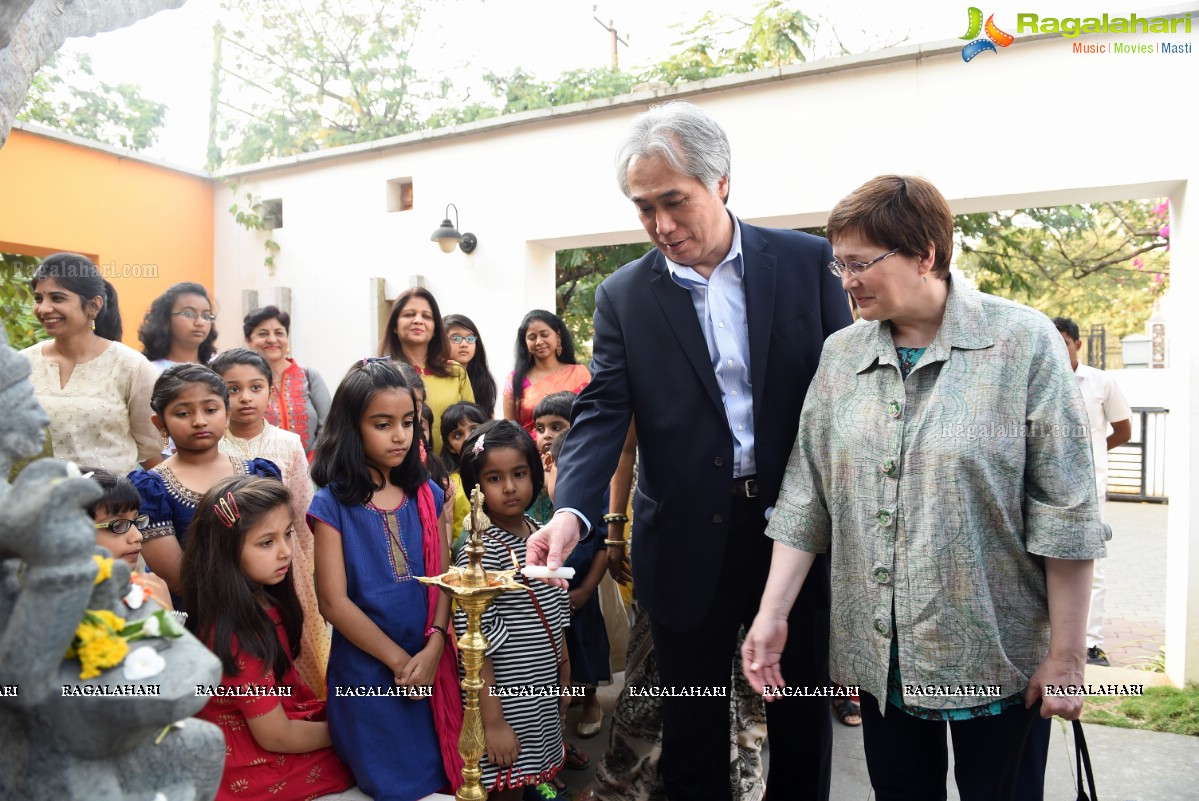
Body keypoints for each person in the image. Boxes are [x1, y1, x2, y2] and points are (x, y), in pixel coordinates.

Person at [741, 175, 1106, 801]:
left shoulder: (1021, 343)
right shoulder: (840, 357)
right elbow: (806, 497)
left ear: (926, 254)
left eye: (860, 263)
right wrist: (771, 616)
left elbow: (1067, 509)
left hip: (998, 662)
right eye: (840, 265)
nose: (846, 280)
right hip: (879, 663)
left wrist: (1068, 658)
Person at [528, 100, 852, 801]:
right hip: (681, 538)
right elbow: (602, 412)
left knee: (799, 723)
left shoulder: (808, 263)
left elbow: (845, 393)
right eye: (644, 208)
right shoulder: (623, 296)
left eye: (674, 201)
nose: (661, 225)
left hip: (794, 533)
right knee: (692, 727)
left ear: (721, 183)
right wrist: (571, 514)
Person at [309, 358, 462, 801]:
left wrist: (433, 647)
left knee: (446, 775)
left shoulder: (427, 494)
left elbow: (444, 578)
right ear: (351, 428)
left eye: (408, 422)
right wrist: (401, 663)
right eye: (382, 424)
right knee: (393, 787)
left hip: (431, 663)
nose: (400, 435)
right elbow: (333, 603)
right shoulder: (330, 505)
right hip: (369, 674)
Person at [182, 476, 356, 801]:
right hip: (251, 763)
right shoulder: (235, 634)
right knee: (370, 755)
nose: (286, 551)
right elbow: (276, 736)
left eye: (287, 533)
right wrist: (353, 731)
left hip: (272, 729)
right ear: (226, 552)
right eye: (266, 542)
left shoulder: (262, 601)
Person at [455, 420, 569, 801]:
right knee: (506, 780)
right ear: (475, 486)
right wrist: (493, 722)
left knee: (533, 772)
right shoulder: (477, 550)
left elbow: (555, 609)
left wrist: (564, 670)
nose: (509, 487)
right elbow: (477, 644)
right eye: (494, 478)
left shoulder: (541, 530)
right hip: (505, 698)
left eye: (518, 474)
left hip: (541, 686)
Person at [213, 347, 331, 697]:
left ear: (270, 390)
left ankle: (301, 707)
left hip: (286, 558)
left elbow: (303, 513)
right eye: (232, 389)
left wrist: (310, 573)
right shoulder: (211, 446)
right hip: (230, 563)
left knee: (298, 639)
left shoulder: (289, 443)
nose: (245, 397)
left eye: (256, 387)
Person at [130, 364, 281, 596]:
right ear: (160, 424)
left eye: (210, 410)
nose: (199, 421)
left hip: (259, 607)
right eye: (183, 413)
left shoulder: (257, 474)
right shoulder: (152, 489)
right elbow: (176, 578)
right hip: (193, 615)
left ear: (227, 413)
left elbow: (275, 550)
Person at [22, 253, 161, 474]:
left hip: (109, 503)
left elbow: (150, 443)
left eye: (57, 298)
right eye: (39, 298)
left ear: (94, 305)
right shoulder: (20, 365)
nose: (44, 308)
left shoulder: (131, 366)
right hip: (36, 501)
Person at [1053, 316, 1132, 667]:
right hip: (1045, 488)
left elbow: (1123, 430)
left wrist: (1092, 456)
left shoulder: (1101, 382)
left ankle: (1091, 643)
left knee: (1091, 565)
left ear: (1078, 344)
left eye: (1064, 343)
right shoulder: (1038, 381)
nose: (1058, 350)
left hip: (1089, 490)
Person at [533, 392, 609, 742]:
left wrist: (584, 591)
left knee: (584, 650)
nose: (546, 434)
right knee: (553, 663)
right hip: (543, 599)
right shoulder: (533, 490)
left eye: (557, 426)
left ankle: (590, 701)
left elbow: (604, 547)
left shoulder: (597, 490)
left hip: (579, 594)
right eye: (540, 427)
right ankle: (555, 730)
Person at [378, 288, 474, 452]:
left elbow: (473, 427)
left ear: (436, 328)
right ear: (395, 325)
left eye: (426, 316)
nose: (418, 320)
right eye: (409, 314)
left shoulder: (456, 372)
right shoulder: (382, 375)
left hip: (453, 472)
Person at [244, 305, 331, 462]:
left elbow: (329, 425)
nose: (272, 339)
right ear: (248, 340)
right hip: (260, 477)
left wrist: (310, 465)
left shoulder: (310, 377)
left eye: (279, 333)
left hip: (313, 472)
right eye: (263, 334)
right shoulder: (243, 385)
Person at [82, 467, 172, 611]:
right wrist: (165, 613)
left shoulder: (133, 589)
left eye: (136, 521)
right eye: (118, 525)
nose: (138, 536)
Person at [503, 310, 589, 436]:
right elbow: (509, 430)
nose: (538, 342)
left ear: (558, 336)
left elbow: (589, 416)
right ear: (525, 342)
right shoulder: (515, 380)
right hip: (530, 453)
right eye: (532, 337)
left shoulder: (579, 373)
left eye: (544, 335)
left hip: (574, 448)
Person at [439, 400, 489, 554]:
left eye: (475, 428)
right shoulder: (448, 483)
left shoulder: (501, 473)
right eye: (458, 435)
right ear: (449, 446)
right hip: (463, 559)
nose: (469, 438)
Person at [138, 281, 219, 372]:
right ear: (166, 320)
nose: (200, 322)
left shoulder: (219, 368)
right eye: (188, 314)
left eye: (206, 316)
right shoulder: (149, 371)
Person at [445, 313, 498, 417]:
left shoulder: (482, 380)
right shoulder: (434, 379)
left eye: (470, 339)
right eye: (456, 338)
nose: (464, 344)